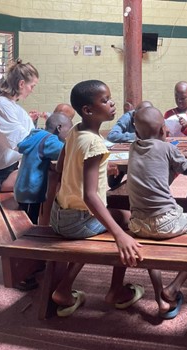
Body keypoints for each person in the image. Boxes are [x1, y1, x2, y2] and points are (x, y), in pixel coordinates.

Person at [50, 80, 144, 317]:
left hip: (59, 215)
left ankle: (64, 289)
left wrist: (102, 167)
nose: (112, 103)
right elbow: (90, 197)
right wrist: (119, 235)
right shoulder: (94, 143)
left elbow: (61, 165)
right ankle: (115, 291)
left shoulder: (75, 130)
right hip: (78, 219)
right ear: (88, 110)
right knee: (128, 221)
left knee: (108, 216)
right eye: (105, 100)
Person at [127, 106, 187, 318]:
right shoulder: (168, 149)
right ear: (164, 130)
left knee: (150, 246)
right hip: (166, 221)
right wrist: (186, 159)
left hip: (137, 223)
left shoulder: (133, 148)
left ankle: (160, 299)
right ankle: (174, 287)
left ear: (137, 134)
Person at [0, 59, 39, 193]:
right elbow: (22, 142)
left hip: (10, 168)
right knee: (45, 178)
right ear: (22, 84)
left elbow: (20, 130)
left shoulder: (9, 104)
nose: (32, 91)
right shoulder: (1, 106)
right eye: (32, 86)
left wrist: (31, 121)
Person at [14, 113, 73, 224]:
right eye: (69, 130)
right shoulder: (50, 140)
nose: (69, 135)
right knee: (30, 222)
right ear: (59, 128)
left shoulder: (36, 134)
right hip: (32, 191)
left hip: (22, 188)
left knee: (26, 215)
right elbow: (66, 153)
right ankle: (30, 238)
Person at [106, 101, 153, 190]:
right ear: (134, 115)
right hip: (126, 154)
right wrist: (134, 135)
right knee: (113, 183)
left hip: (144, 153)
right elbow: (111, 135)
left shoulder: (153, 117)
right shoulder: (127, 118)